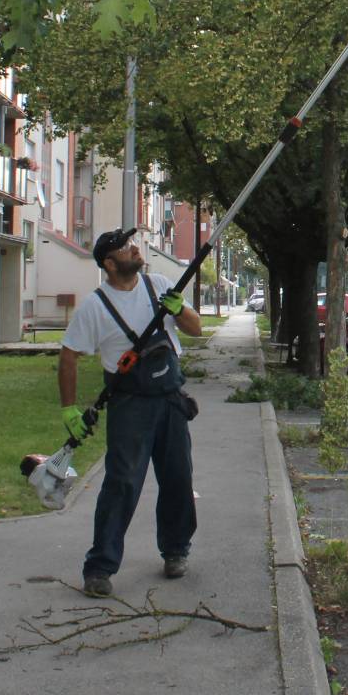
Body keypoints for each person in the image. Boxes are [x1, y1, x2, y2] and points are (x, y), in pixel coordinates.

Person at [58, 227, 202, 598]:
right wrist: (69, 408)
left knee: (177, 479)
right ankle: (100, 567)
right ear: (109, 263)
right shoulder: (95, 305)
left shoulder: (158, 286)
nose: (134, 248)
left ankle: (175, 551)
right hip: (130, 406)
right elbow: (69, 355)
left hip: (170, 399)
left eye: (132, 244)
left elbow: (196, 328)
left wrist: (179, 309)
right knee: (122, 484)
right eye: (125, 247)